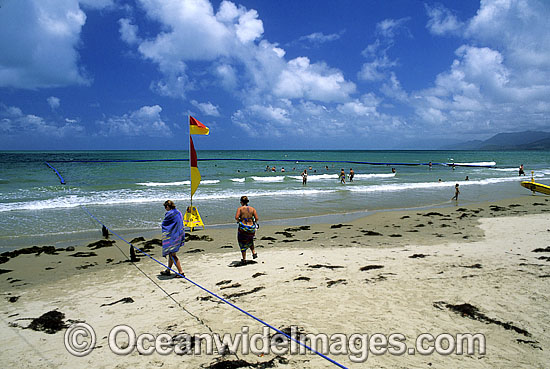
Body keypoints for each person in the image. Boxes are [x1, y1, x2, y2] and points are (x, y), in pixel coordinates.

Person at [160, 200, 185, 277]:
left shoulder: (169, 213)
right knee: (171, 253)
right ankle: (168, 270)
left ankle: (181, 272)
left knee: (172, 255)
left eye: (165, 207)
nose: (165, 208)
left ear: (167, 206)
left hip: (173, 236)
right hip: (179, 234)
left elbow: (165, 224)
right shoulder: (178, 212)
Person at [235, 196, 258, 264]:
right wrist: (253, 221)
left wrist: (239, 220)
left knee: (242, 242)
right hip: (251, 228)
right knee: (250, 240)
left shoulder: (240, 209)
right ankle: (253, 252)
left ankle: (244, 259)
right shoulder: (252, 209)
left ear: (241, 202)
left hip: (243, 227)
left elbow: (236, 217)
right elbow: (256, 218)